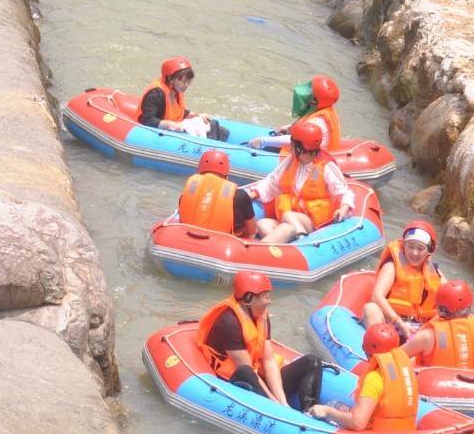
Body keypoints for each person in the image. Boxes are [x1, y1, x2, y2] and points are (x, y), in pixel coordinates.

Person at [198, 273, 323, 412]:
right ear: (249, 298)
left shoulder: (262, 316)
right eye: (266, 297)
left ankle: (310, 412)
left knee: (313, 361)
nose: (269, 301)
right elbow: (247, 370)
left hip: (257, 374)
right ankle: (276, 411)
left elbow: (268, 361)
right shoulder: (229, 322)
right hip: (235, 379)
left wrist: (282, 402)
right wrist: (276, 405)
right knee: (246, 372)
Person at [249, 115, 354, 245]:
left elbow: (345, 192)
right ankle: (285, 246)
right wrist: (255, 193)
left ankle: (300, 238)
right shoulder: (292, 160)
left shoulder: (326, 166)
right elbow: (273, 181)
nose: (289, 146)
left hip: (314, 220)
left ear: (300, 148)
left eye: (292, 143)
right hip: (293, 218)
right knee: (263, 223)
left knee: (288, 217)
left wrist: (343, 209)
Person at [311, 322, 419, 434]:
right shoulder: (406, 372)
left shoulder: (374, 379)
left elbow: (357, 423)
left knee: (331, 405)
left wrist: (328, 412)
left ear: (367, 350)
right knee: (339, 406)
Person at [362, 222, 442, 336]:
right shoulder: (392, 266)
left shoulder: (433, 271)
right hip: (390, 322)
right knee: (370, 308)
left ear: (429, 251)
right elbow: (376, 296)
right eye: (410, 246)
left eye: (420, 248)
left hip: (419, 328)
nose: (414, 253)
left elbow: (447, 300)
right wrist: (399, 323)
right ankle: (379, 350)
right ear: (403, 245)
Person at [404, 281, 474, 370]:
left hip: (436, 382)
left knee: (411, 361)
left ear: (438, 307)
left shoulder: (428, 335)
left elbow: (397, 358)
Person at [137, 58, 229, 139]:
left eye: (188, 81)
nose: (186, 85)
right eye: (183, 81)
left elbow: (178, 111)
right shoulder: (156, 94)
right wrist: (174, 125)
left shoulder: (176, 90)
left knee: (222, 131)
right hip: (157, 131)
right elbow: (147, 120)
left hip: (175, 125)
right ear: (170, 79)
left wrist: (198, 115)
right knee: (207, 132)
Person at [178, 148, 257, 238]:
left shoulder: (190, 188)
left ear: (200, 170)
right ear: (226, 173)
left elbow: (182, 219)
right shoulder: (240, 195)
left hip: (186, 237)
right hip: (223, 245)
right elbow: (252, 231)